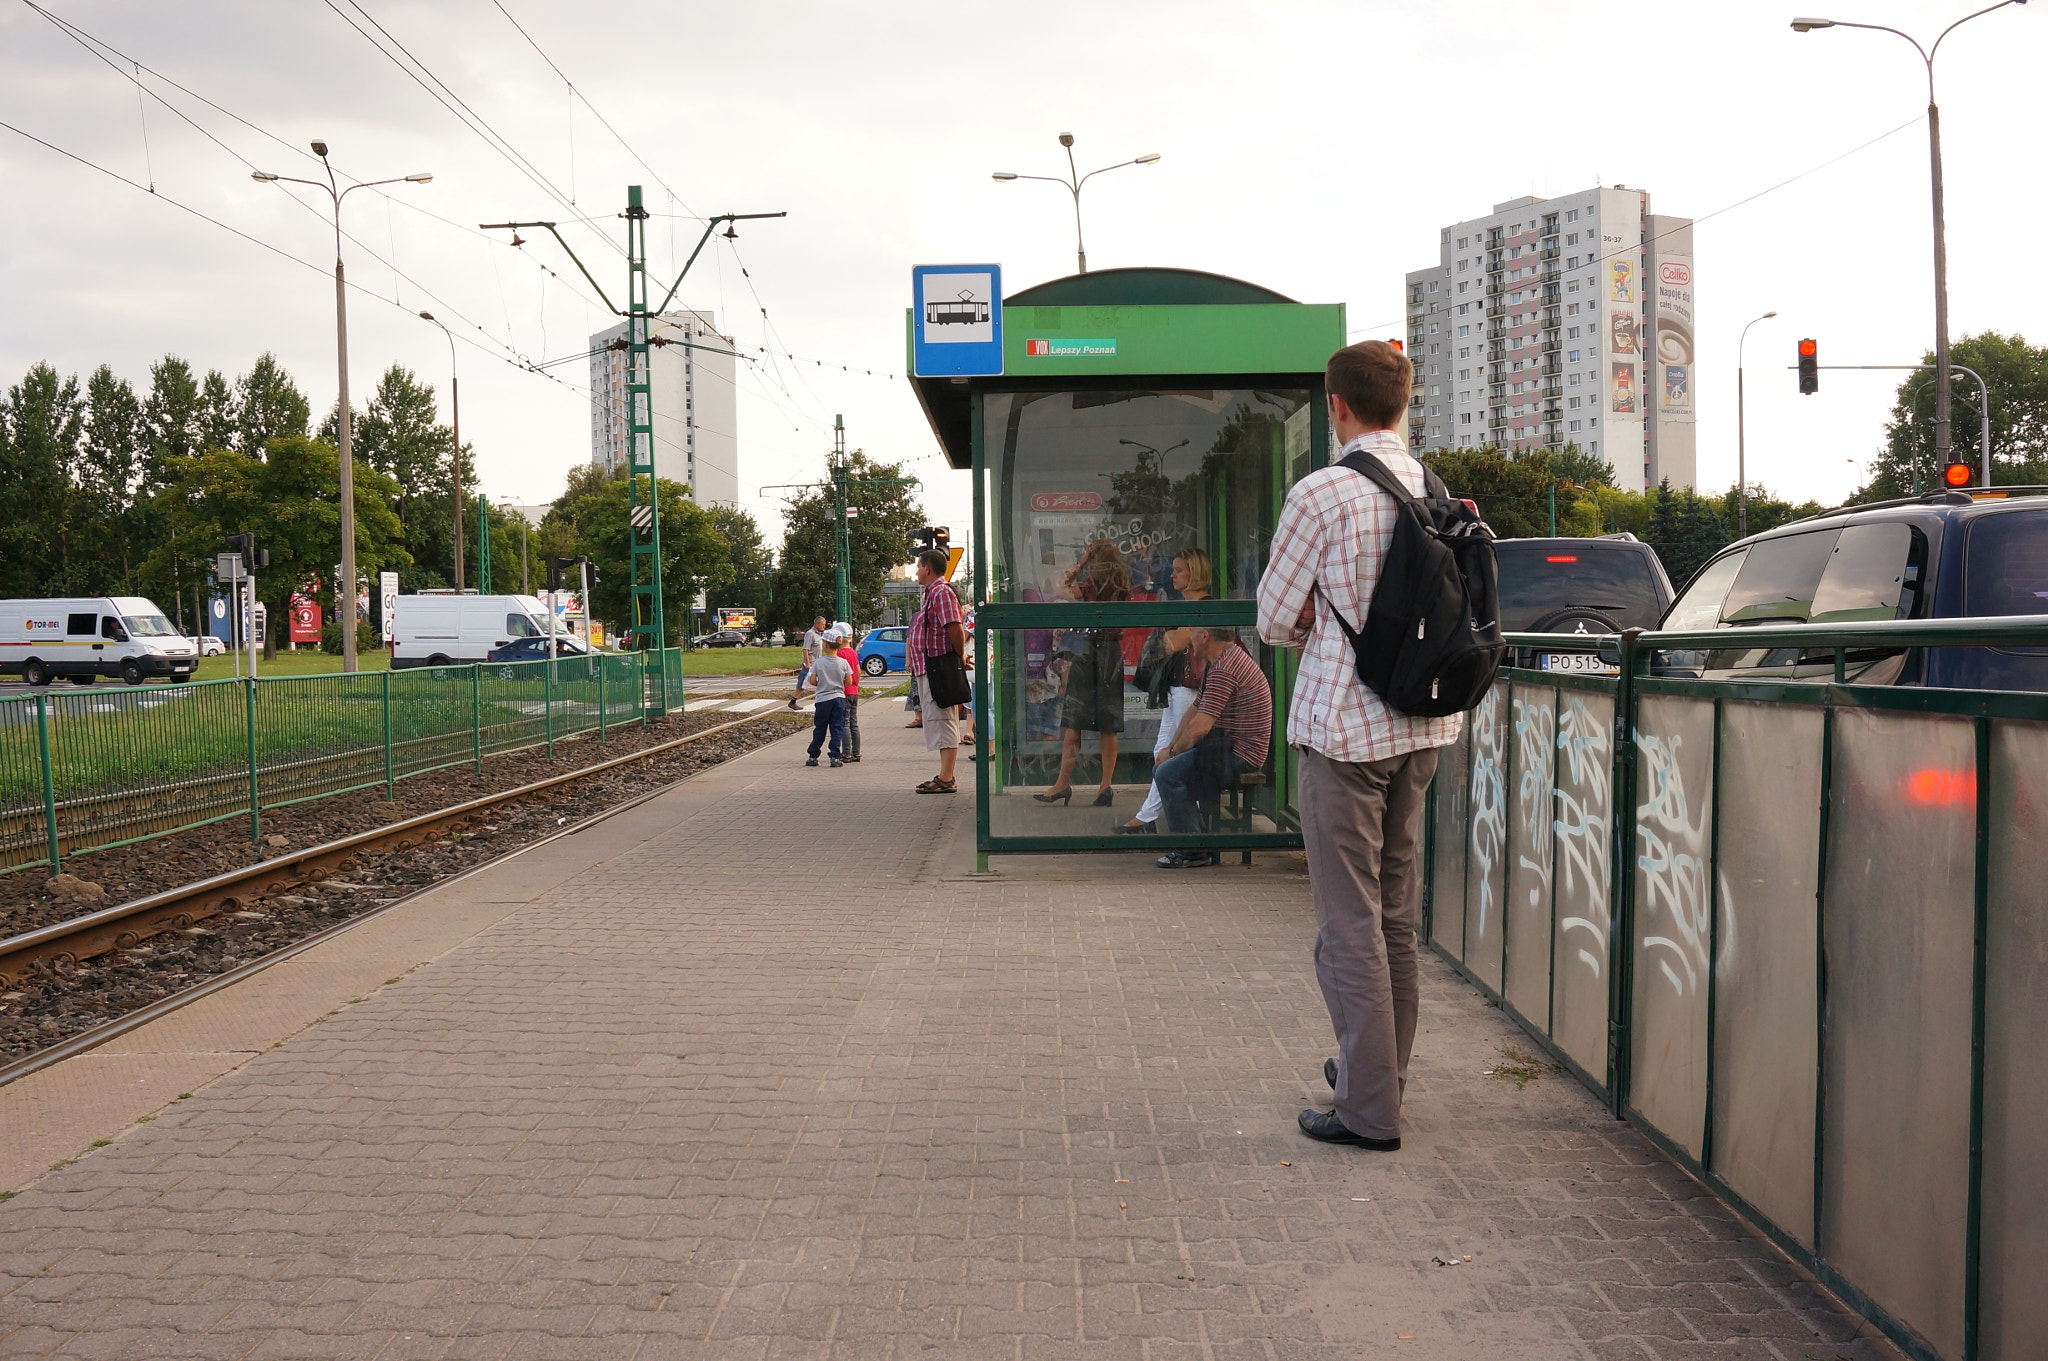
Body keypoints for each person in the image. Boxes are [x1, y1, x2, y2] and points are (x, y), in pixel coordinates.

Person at [1256, 339, 1464, 1153]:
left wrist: (1314, 619)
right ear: (1402, 405)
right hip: (1422, 728)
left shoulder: (1323, 493)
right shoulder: (1435, 489)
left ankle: (1369, 1110)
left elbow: (1274, 619)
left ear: (1337, 405)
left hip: (1344, 731)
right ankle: (1380, 1074)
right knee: (1394, 918)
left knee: (1349, 925)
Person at [1150, 627, 1271, 867]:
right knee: (1167, 768)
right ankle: (1197, 833)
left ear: (1204, 635)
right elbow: (1194, 710)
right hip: (1224, 746)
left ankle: (1191, 851)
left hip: (1241, 753)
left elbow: (1199, 728)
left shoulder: (1225, 668)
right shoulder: (1220, 661)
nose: (1188, 640)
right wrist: (1171, 747)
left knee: (1167, 774)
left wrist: (1172, 755)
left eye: (1192, 633)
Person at [1121, 548, 1212, 834]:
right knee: (1162, 750)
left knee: (1171, 752)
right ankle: (1150, 816)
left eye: (1179, 570)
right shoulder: (1182, 605)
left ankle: (1147, 817)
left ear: (1194, 573)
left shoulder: (1204, 605)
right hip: (1174, 686)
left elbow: (1174, 642)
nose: (1172, 575)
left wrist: (1173, 637)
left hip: (1190, 688)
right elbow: (1171, 641)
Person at [1035, 538, 1127, 808]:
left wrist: (1080, 564)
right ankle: (1105, 786)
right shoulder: (1120, 583)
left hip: (1088, 651)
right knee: (1108, 726)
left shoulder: (1089, 584)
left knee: (1073, 722)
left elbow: (1062, 588)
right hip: (1112, 653)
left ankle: (1063, 783)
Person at [908, 547, 967, 793]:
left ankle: (947, 777)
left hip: (938, 667)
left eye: (919, 566)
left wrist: (958, 657)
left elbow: (954, 628)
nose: (917, 570)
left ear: (928, 568)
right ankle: (944, 775)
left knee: (943, 719)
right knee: (937, 719)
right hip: (931, 667)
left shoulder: (941, 592)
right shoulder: (931, 593)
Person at [802, 630, 852, 767]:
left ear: (826, 645)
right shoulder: (843, 663)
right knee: (837, 728)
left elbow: (812, 681)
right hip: (839, 699)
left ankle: (813, 756)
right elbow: (849, 681)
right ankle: (835, 757)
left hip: (823, 700)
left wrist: (822, 683)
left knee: (820, 729)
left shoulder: (819, 663)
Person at [832, 624, 862, 763]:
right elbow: (858, 671)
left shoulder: (840, 654)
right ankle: (856, 753)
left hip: (844, 692)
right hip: (854, 691)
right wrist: (856, 685)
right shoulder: (853, 652)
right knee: (854, 724)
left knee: (844, 723)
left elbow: (839, 673)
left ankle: (846, 753)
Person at [789, 615, 829, 710]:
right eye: (823, 624)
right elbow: (805, 649)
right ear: (817, 624)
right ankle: (793, 701)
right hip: (810, 663)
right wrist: (807, 663)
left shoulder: (819, 634)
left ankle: (794, 701)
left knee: (813, 682)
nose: (824, 626)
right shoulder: (810, 634)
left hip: (817, 662)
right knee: (803, 682)